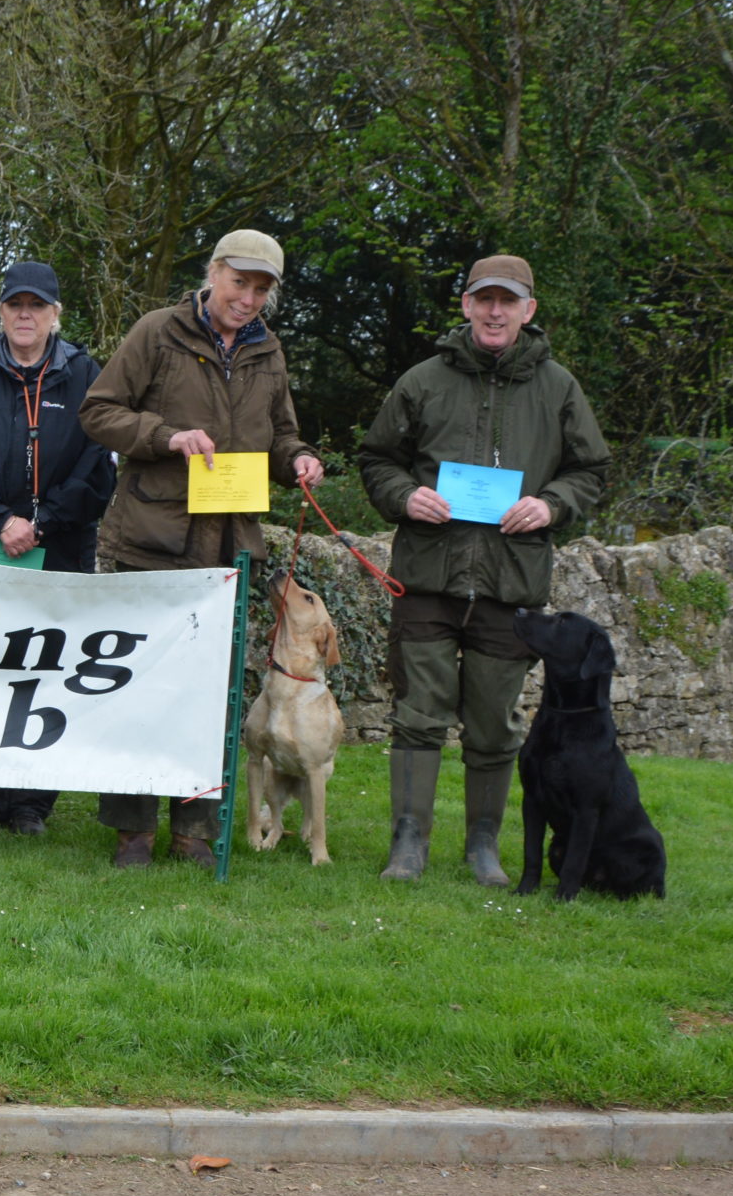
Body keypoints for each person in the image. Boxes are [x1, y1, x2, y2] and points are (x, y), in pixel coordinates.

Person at [356, 254, 610, 884]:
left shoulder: (559, 389)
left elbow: (591, 471)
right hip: (427, 578)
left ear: (529, 311)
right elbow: (378, 459)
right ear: (466, 305)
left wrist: (550, 505)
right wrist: (403, 496)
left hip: (510, 583)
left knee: (495, 722)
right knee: (418, 715)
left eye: (509, 301)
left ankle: (483, 846)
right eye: (484, 299)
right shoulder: (422, 381)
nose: (495, 312)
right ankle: (408, 843)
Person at [80, 228, 323, 867]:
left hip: (230, 549)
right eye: (240, 282)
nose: (248, 298)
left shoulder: (269, 352)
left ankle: (195, 829)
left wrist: (297, 458)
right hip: (152, 543)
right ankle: (131, 829)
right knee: (136, 688)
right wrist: (165, 436)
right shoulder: (156, 332)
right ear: (213, 273)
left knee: (212, 697)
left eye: (261, 288)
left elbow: (282, 434)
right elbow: (98, 411)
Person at [0, 261, 117, 835]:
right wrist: (0, 519)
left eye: (36, 306)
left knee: (49, 671)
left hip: (60, 547)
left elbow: (99, 467)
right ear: (1, 311)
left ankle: (33, 802)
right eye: (15, 305)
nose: (24, 315)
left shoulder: (89, 376)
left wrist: (44, 523)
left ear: (55, 315)